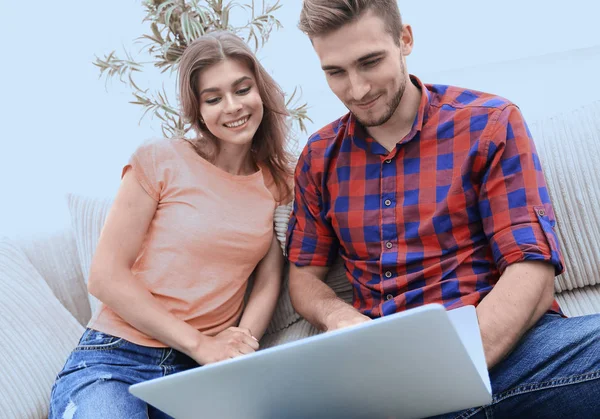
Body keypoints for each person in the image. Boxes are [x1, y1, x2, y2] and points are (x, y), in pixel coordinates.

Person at [286, 1, 600, 417]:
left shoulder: (489, 123)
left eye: (370, 62)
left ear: (405, 40)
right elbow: (303, 279)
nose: (357, 89)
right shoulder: (319, 157)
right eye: (335, 72)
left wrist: (449, 374)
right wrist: (337, 315)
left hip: (519, 354)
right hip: (394, 373)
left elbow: (531, 271)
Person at [49, 31, 293, 419]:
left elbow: (267, 278)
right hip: (115, 360)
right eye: (213, 98)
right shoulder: (159, 158)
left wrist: (241, 346)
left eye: (242, 89)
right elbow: (105, 276)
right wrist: (201, 344)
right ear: (197, 109)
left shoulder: (278, 183)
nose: (232, 107)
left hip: (198, 373)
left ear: (260, 90)